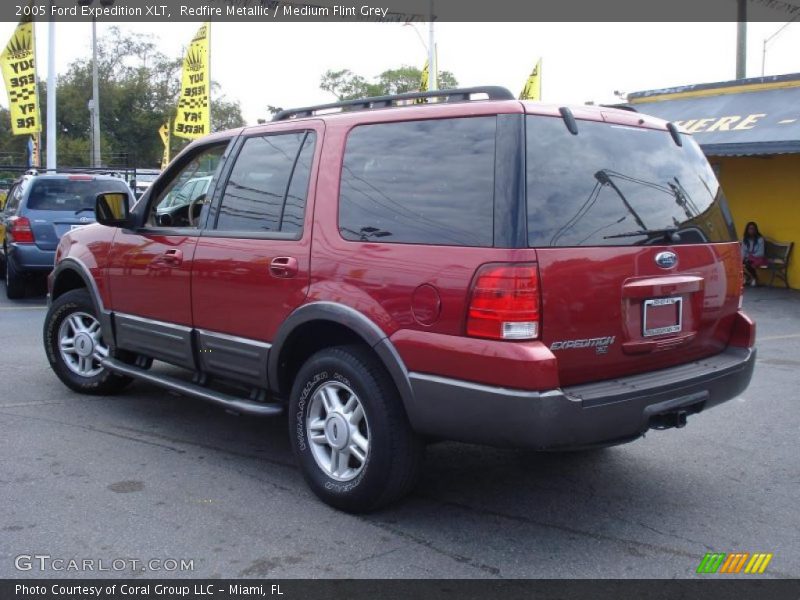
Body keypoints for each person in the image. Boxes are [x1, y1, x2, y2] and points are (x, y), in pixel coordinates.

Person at [742, 221, 767, 286]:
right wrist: (742, 258)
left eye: (753, 228)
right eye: (750, 229)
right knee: (738, 263)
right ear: (747, 230)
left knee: (748, 264)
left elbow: (761, 253)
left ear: (756, 230)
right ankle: (748, 277)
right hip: (749, 258)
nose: (751, 230)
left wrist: (750, 256)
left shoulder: (760, 239)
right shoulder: (745, 239)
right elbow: (743, 251)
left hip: (758, 258)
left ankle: (755, 278)